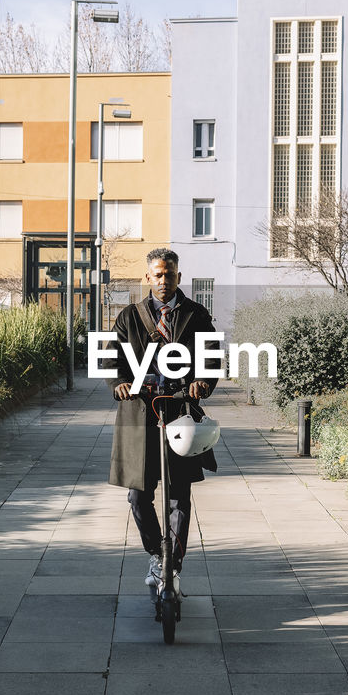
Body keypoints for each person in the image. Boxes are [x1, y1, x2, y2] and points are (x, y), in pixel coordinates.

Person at [108, 249, 219, 599]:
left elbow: (211, 356)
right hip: (139, 413)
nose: (163, 281)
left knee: (179, 495)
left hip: (180, 412)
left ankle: (173, 562)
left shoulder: (196, 315)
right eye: (157, 275)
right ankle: (158, 553)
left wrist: (202, 381)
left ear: (178, 277)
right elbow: (114, 358)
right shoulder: (129, 316)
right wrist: (120, 384)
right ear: (147, 277)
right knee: (138, 495)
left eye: (169, 275)